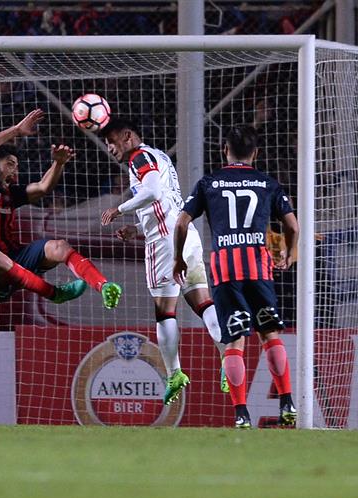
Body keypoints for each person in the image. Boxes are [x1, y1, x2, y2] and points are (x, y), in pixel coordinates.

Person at [173, 124, 299, 429]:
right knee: (270, 334)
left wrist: (178, 259)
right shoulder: (267, 183)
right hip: (258, 267)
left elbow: (181, 223)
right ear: (255, 153)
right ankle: (287, 402)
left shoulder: (209, 183)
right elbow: (293, 227)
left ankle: (241, 413)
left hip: (225, 269)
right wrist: (290, 254)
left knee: (234, 342)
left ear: (223, 150)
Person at [99, 117, 226, 405]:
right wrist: (138, 229)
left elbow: (153, 192)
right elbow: (164, 202)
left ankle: (174, 373)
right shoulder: (160, 156)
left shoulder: (138, 157)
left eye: (111, 141)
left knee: (165, 312)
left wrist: (119, 209)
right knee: (203, 302)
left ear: (128, 136)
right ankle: (227, 355)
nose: (109, 148)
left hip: (166, 243)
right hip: (186, 234)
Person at [0, 108, 122, 309]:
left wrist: (58, 163)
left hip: (17, 262)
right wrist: (16, 130)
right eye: (10, 164)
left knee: (59, 246)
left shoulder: (11, 195)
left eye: (16, 167)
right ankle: (55, 293)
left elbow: (43, 187)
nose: (15, 172)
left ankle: (103, 285)